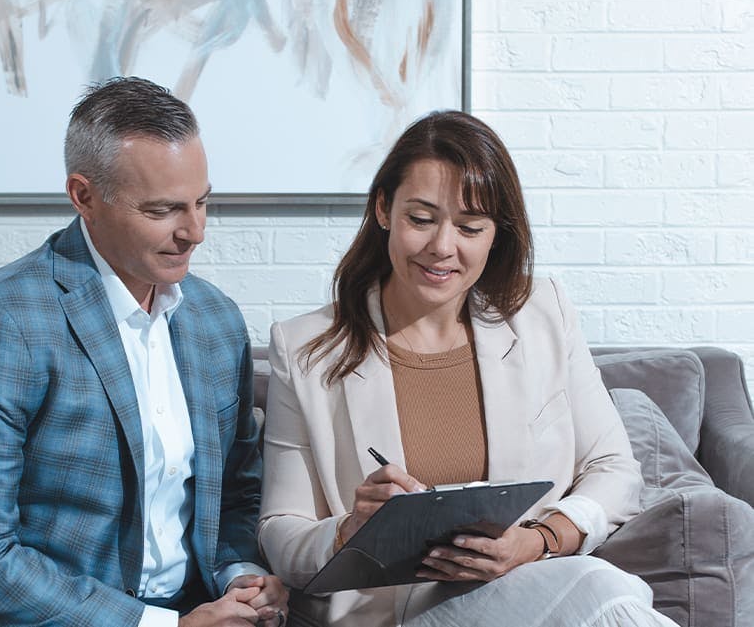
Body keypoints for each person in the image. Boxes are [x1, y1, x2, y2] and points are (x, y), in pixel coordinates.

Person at [257, 111, 678, 626]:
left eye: (470, 227)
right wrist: (350, 529)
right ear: (384, 209)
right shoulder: (305, 348)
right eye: (421, 218)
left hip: (523, 590)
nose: (442, 247)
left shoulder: (544, 315)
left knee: (605, 590)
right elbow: (281, 532)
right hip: (388, 614)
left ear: (495, 234)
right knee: (608, 591)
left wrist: (538, 541)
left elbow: (614, 469)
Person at [0, 77, 288, 627]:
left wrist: (240, 577)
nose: (195, 232)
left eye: (202, 202)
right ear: (84, 196)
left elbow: (236, 494)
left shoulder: (215, 320)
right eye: (162, 210)